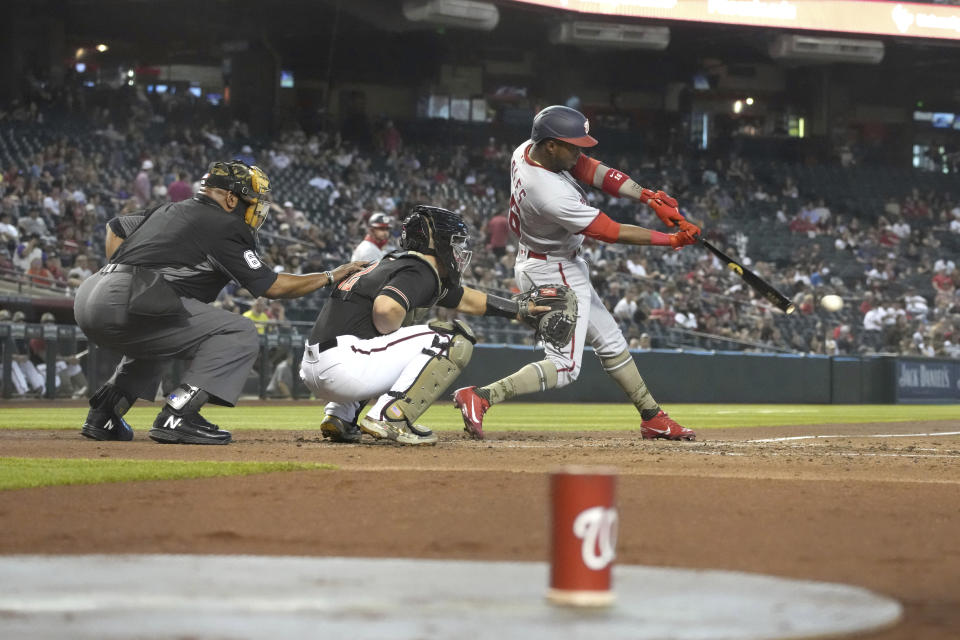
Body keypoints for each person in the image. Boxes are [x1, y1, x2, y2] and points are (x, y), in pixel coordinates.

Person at [453, 105, 701, 441]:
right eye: (573, 144)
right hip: (552, 269)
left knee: (612, 342)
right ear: (552, 145)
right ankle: (481, 397)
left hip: (552, 260)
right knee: (565, 367)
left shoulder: (528, 149)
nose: (579, 150)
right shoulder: (549, 193)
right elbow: (610, 231)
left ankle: (653, 417)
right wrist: (671, 239)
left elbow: (589, 168)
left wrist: (646, 196)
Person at [74, 161, 366, 445]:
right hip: (127, 297)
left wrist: (123, 273)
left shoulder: (169, 209)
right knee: (239, 332)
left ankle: (104, 415)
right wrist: (330, 275)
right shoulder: (225, 224)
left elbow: (116, 227)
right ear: (230, 197)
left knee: (155, 345)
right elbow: (272, 287)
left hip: (91, 293)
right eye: (252, 200)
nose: (255, 208)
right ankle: (178, 414)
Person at [300, 205, 548, 446]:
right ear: (436, 241)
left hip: (318, 365)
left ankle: (340, 416)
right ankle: (392, 417)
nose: (458, 249)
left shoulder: (392, 263)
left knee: (390, 339)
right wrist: (392, 333)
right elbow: (386, 309)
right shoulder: (420, 269)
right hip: (345, 366)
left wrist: (518, 311)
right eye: (455, 241)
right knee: (453, 338)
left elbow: (465, 298)